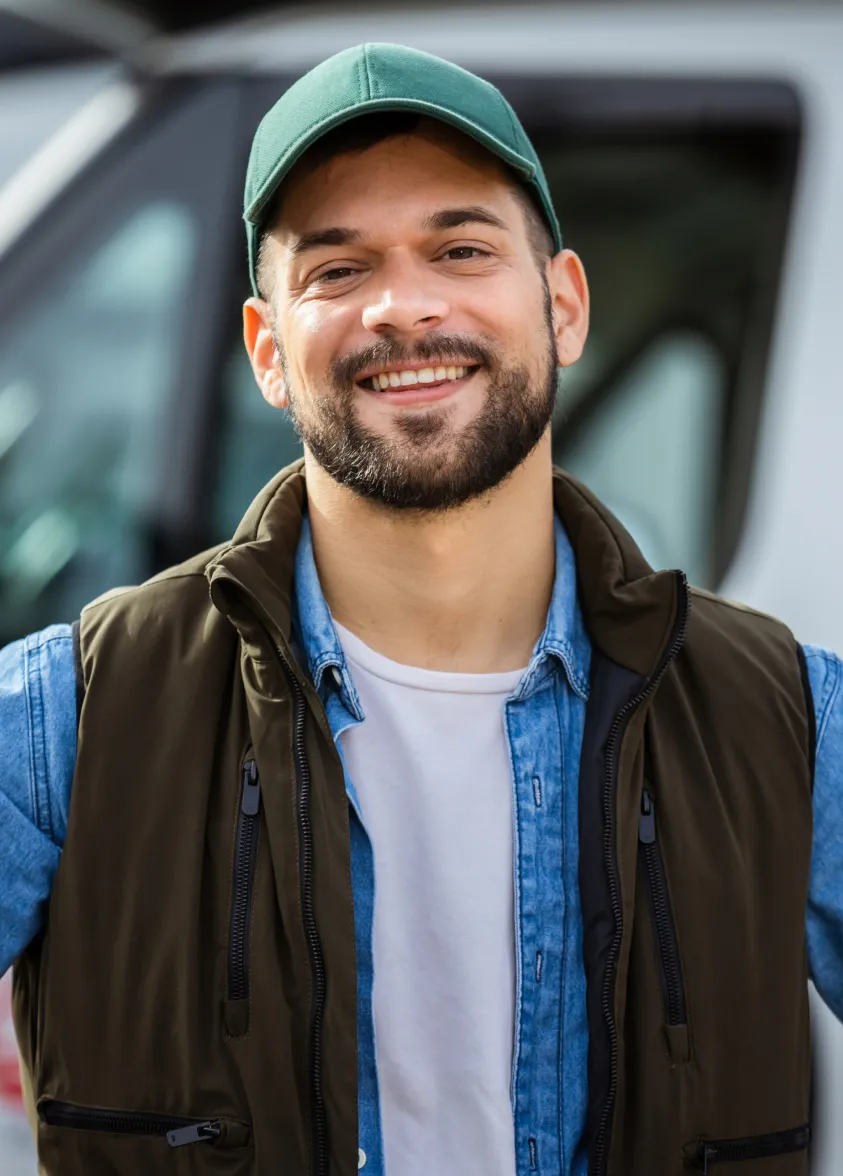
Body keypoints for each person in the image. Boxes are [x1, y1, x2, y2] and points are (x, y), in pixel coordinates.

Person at [0, 42, 838, 1176]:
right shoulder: (67, 720)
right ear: (268, 352)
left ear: (563, 306)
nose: (403, 306)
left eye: (461, 249)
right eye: (338, 270)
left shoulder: (789, 720)